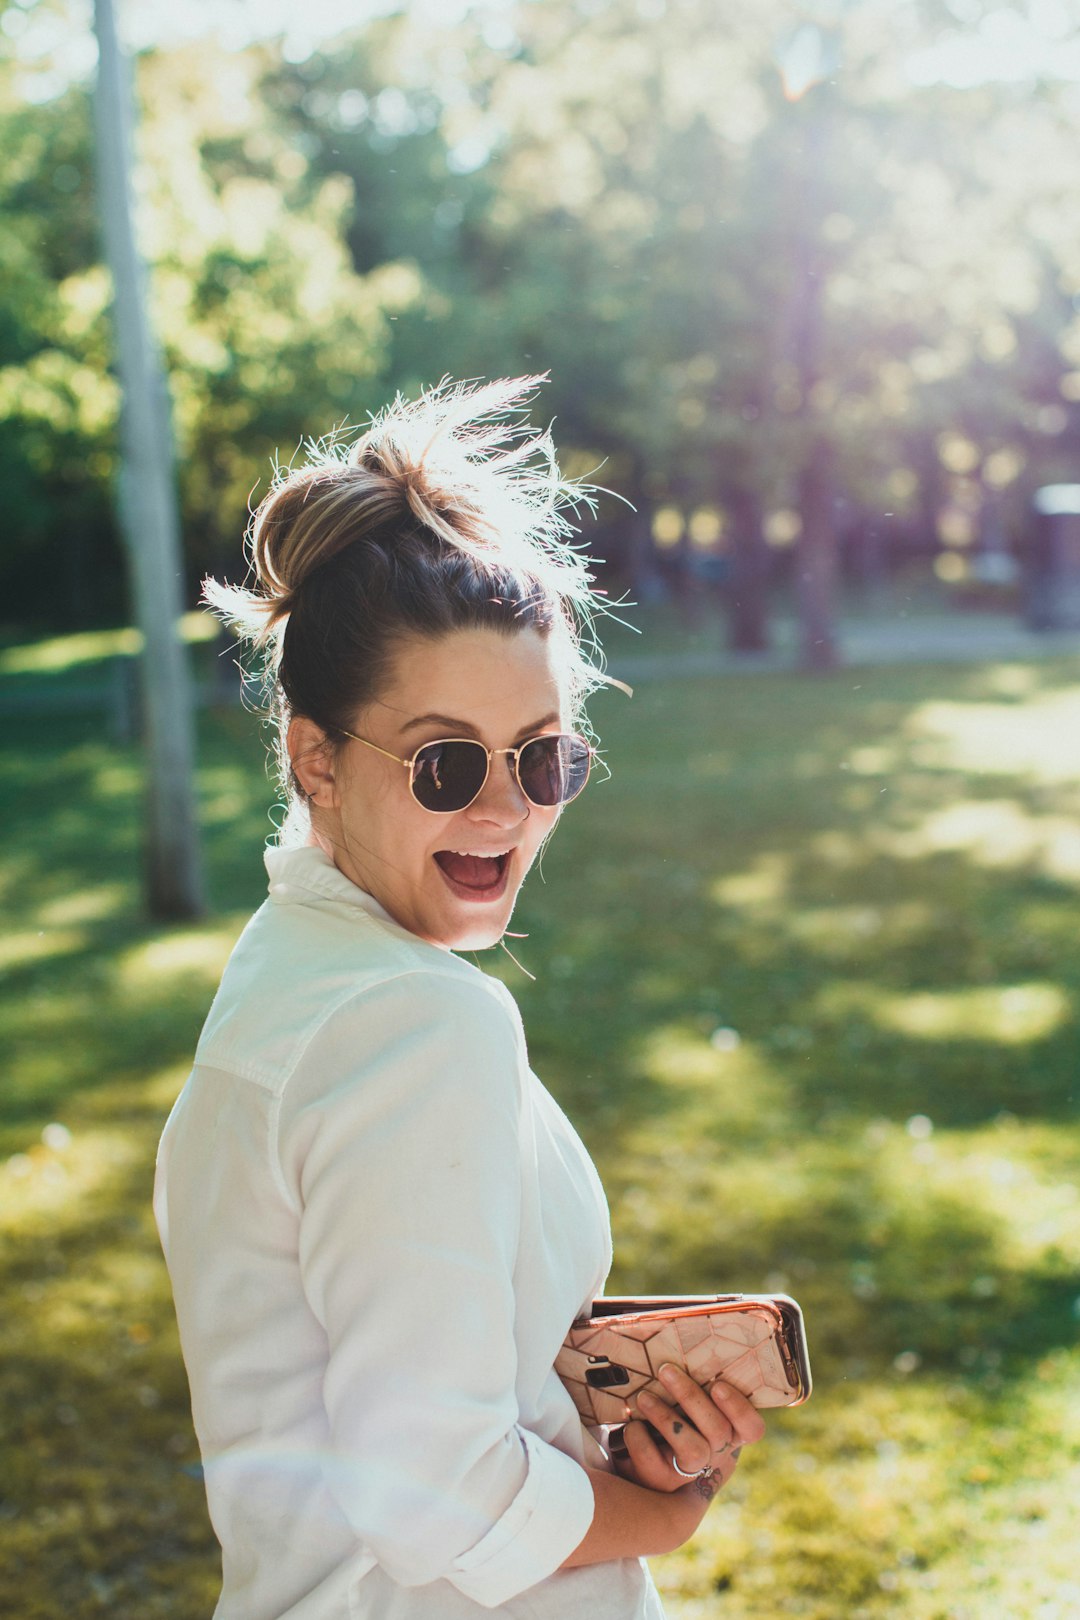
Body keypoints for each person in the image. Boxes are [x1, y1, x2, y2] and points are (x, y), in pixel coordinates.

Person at [153, 377, 765, 1620]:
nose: (504, 811)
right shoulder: (418, 1024)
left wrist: (605, 1423)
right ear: (312, 756)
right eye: (444, 761)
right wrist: (667, 1511)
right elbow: (431, 1497)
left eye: (543, 756)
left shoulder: (286, 978)